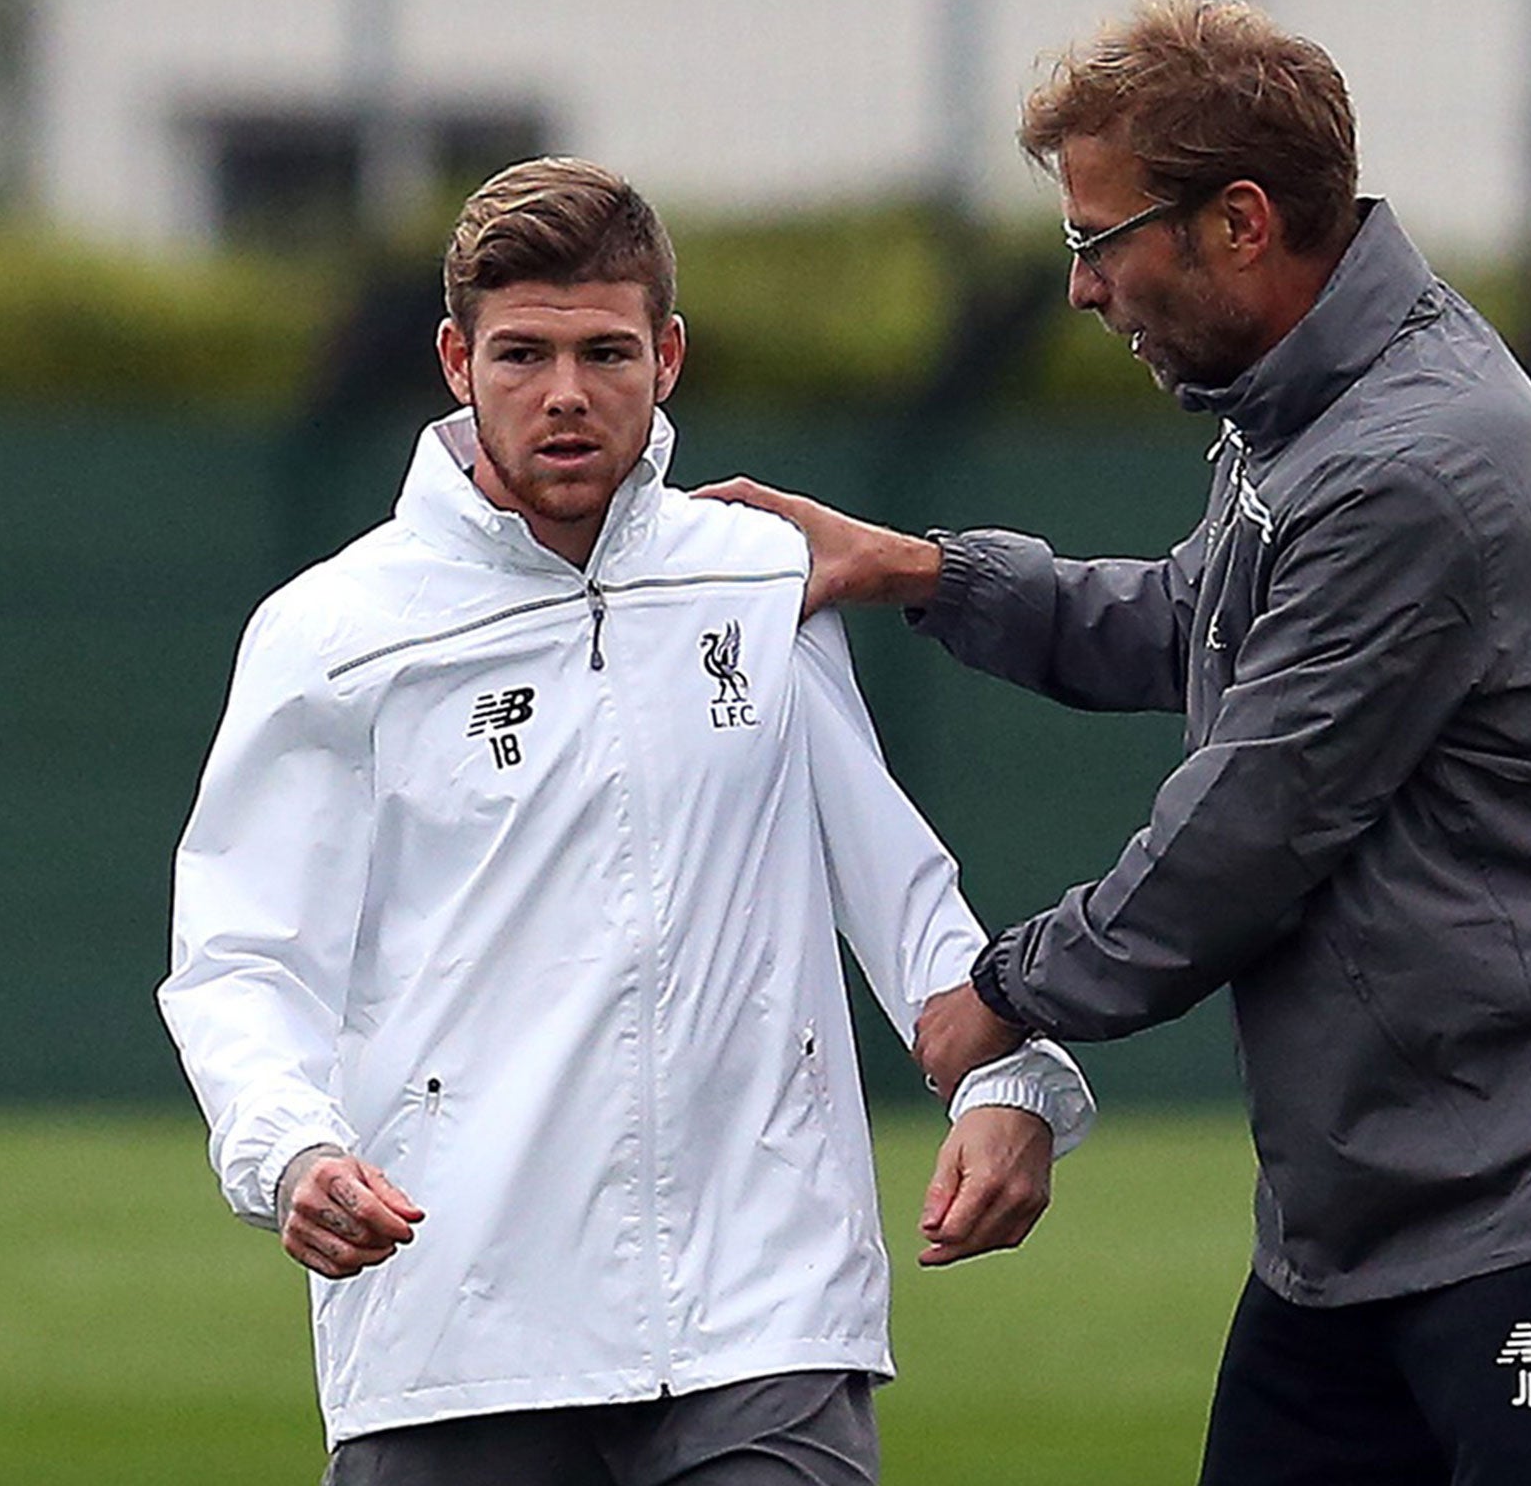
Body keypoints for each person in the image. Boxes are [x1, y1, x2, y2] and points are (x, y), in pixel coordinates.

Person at [700, 0, 1531, 1486]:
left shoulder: (1411, 458)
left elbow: (1252, 824)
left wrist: (997, 993)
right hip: (1370, 1202)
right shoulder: (1315, 410)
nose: (1080, 288)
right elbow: (1191, 622)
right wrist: (924, 570)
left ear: (1242, 222)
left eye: (1098, 238)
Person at [159, 156, 1093, 1486]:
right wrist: (287, 1148)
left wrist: (1011, 1081)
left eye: (604, 351)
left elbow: (896, 885)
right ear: (453, 360)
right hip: (455, 1322)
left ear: (667, 356)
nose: (564, 394)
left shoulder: (762, 578)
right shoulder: (332, 633)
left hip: (763, 1314)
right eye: (521, 353)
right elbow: (245, 955)